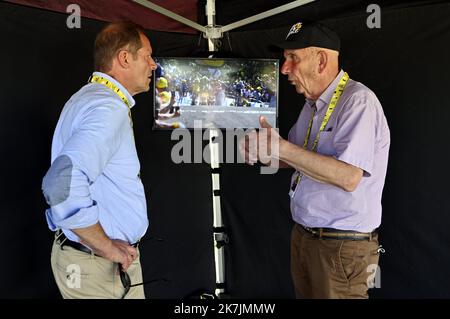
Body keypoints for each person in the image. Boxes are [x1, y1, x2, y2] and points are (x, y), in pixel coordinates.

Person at [240, 21, 390, 298]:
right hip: (307, 237)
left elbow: (348, 177)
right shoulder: (312, 106)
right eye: (285, 59)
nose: (284, 69)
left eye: (293, 58)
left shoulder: (358, 102)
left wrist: (282, 148)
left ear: (321, 61)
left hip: (341, 246)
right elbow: (298, 158)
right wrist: (265, 152)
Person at [41, 21, 157, 299]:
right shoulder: (107, 108)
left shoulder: (88, 98)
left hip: (99, 265)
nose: (153, 65)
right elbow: (60, 184)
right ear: (124, 58)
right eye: (147, 56)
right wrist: (105, 246)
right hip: (97, 267)